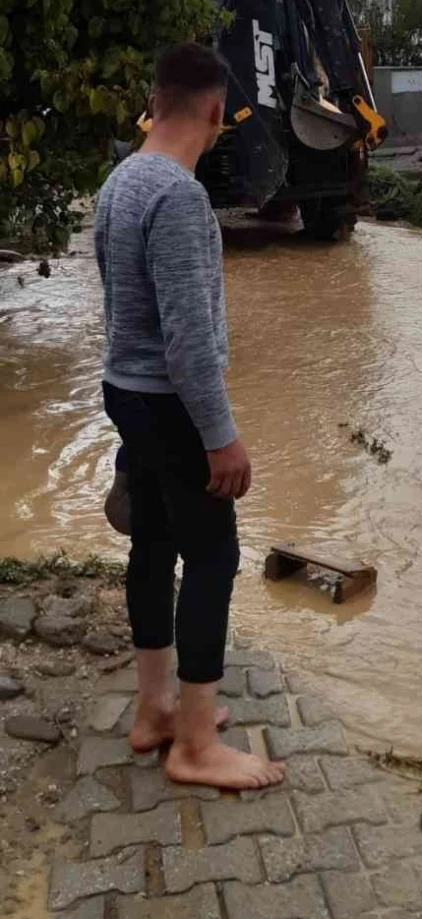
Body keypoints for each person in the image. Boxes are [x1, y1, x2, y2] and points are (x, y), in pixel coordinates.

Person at [94, 41, 284, 792]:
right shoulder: (177, 196)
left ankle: (156, 711)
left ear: (156, 100)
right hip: (169, 403)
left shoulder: (120, 181)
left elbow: (121, 311)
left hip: (126, 390)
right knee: (212, 557)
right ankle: (197, 746)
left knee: (153, 543)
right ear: (213, 111)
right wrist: (221, 437)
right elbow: (189, 341)